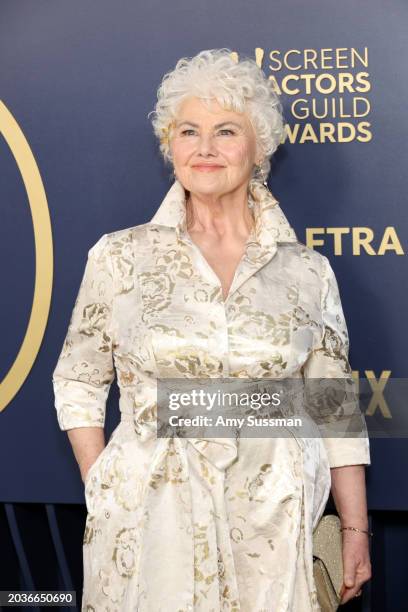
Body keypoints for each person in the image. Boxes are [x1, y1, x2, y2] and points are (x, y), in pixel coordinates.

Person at [52, 48, 372, 611]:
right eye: (188, 131)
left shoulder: (306, 270)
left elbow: (335, 407)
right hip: (150, 516)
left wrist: (354, 530)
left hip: (276, 514)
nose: (204, 148)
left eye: (226, 131)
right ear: (169, 146)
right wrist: (105, 485)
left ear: (259, 147)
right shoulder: (119, 257)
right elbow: (77, 380)